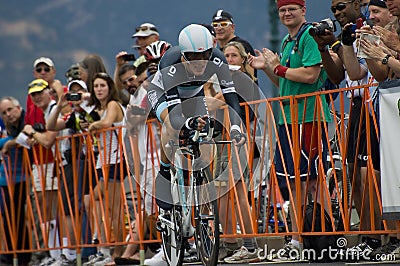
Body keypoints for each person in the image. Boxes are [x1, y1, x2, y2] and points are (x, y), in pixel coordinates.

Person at [248, 0, 332, 260]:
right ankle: (297, 240)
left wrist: (278, 67)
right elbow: (283, 78)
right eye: (282, 10)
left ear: (303, 11)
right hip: (288, 119)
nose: (286, 14)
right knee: (295, 182)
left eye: (291, 9)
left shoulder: (308, 35)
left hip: (308, 117)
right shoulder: (285, 42)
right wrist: (268, 69)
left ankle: (327, 236)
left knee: (314, 180)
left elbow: (310, 75)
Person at [312, 0, 384, 259]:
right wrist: (324, 47)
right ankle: (367, 236)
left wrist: (339, 44)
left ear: (356, 4)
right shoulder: (346, 34)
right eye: (333, 10)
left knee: (369, 173)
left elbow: (358, 72)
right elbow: (336, 75)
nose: (337, 13)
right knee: (353, 171)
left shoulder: (366, 28)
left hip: (372, 101)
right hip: (355, 105)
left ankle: (376, 236)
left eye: (341, 6)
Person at [83, 72, 126, 266]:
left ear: (109, 87)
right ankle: (104, 248)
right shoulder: (98, 108)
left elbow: (107, 123)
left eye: (102, 85)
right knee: (94, 201)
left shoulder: (112, 105)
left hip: (116, 161)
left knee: (114, 209)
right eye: (96, 86)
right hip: (104, 161)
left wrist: (93, 125)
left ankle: (116, 253)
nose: (99, 89)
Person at [22, 79, 61, 265]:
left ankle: (60, 253)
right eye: (33, 95)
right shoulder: (46, 111)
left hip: (57, 164)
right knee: (46, 212)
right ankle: (53, 253)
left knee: (53, 210)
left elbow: (48, 141)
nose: (37, 97)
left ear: (49, 92)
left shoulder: (53, 108)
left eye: (40, 92)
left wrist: (32, 133)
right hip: (53, 164)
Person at [0, 97, 31, 266]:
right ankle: (12, 255)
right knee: (9, 219)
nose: (8, 115)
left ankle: (21, 256)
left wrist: (9, 143)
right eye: (4, 113)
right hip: (8, 179)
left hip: (22, 177)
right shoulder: (9, 128)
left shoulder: (26, 121)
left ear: (18, 108)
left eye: (10, 110)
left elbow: (24, 138)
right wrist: (8, 142)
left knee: (19, 218)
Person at [211, 9, 257, 78]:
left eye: (224, 24)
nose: (219, 28)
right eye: (215, 25)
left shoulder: (242, 46)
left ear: (232, 27)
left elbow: (251, 76)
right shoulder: (217, 50)